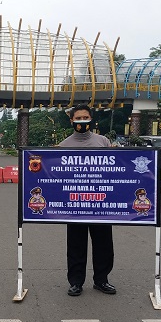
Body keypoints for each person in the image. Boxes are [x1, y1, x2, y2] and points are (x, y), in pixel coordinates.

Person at [58, 104, 116, 296]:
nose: (82, 121)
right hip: (75, 204)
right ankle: (76, 282)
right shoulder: (63, 146)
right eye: (78, 118)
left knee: (103, 244)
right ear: (71, 120)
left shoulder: (103, 142)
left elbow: (115, 169)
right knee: (76, 245)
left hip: (100, 203)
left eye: (85, 118)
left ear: (91, 119)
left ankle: (102, 280)